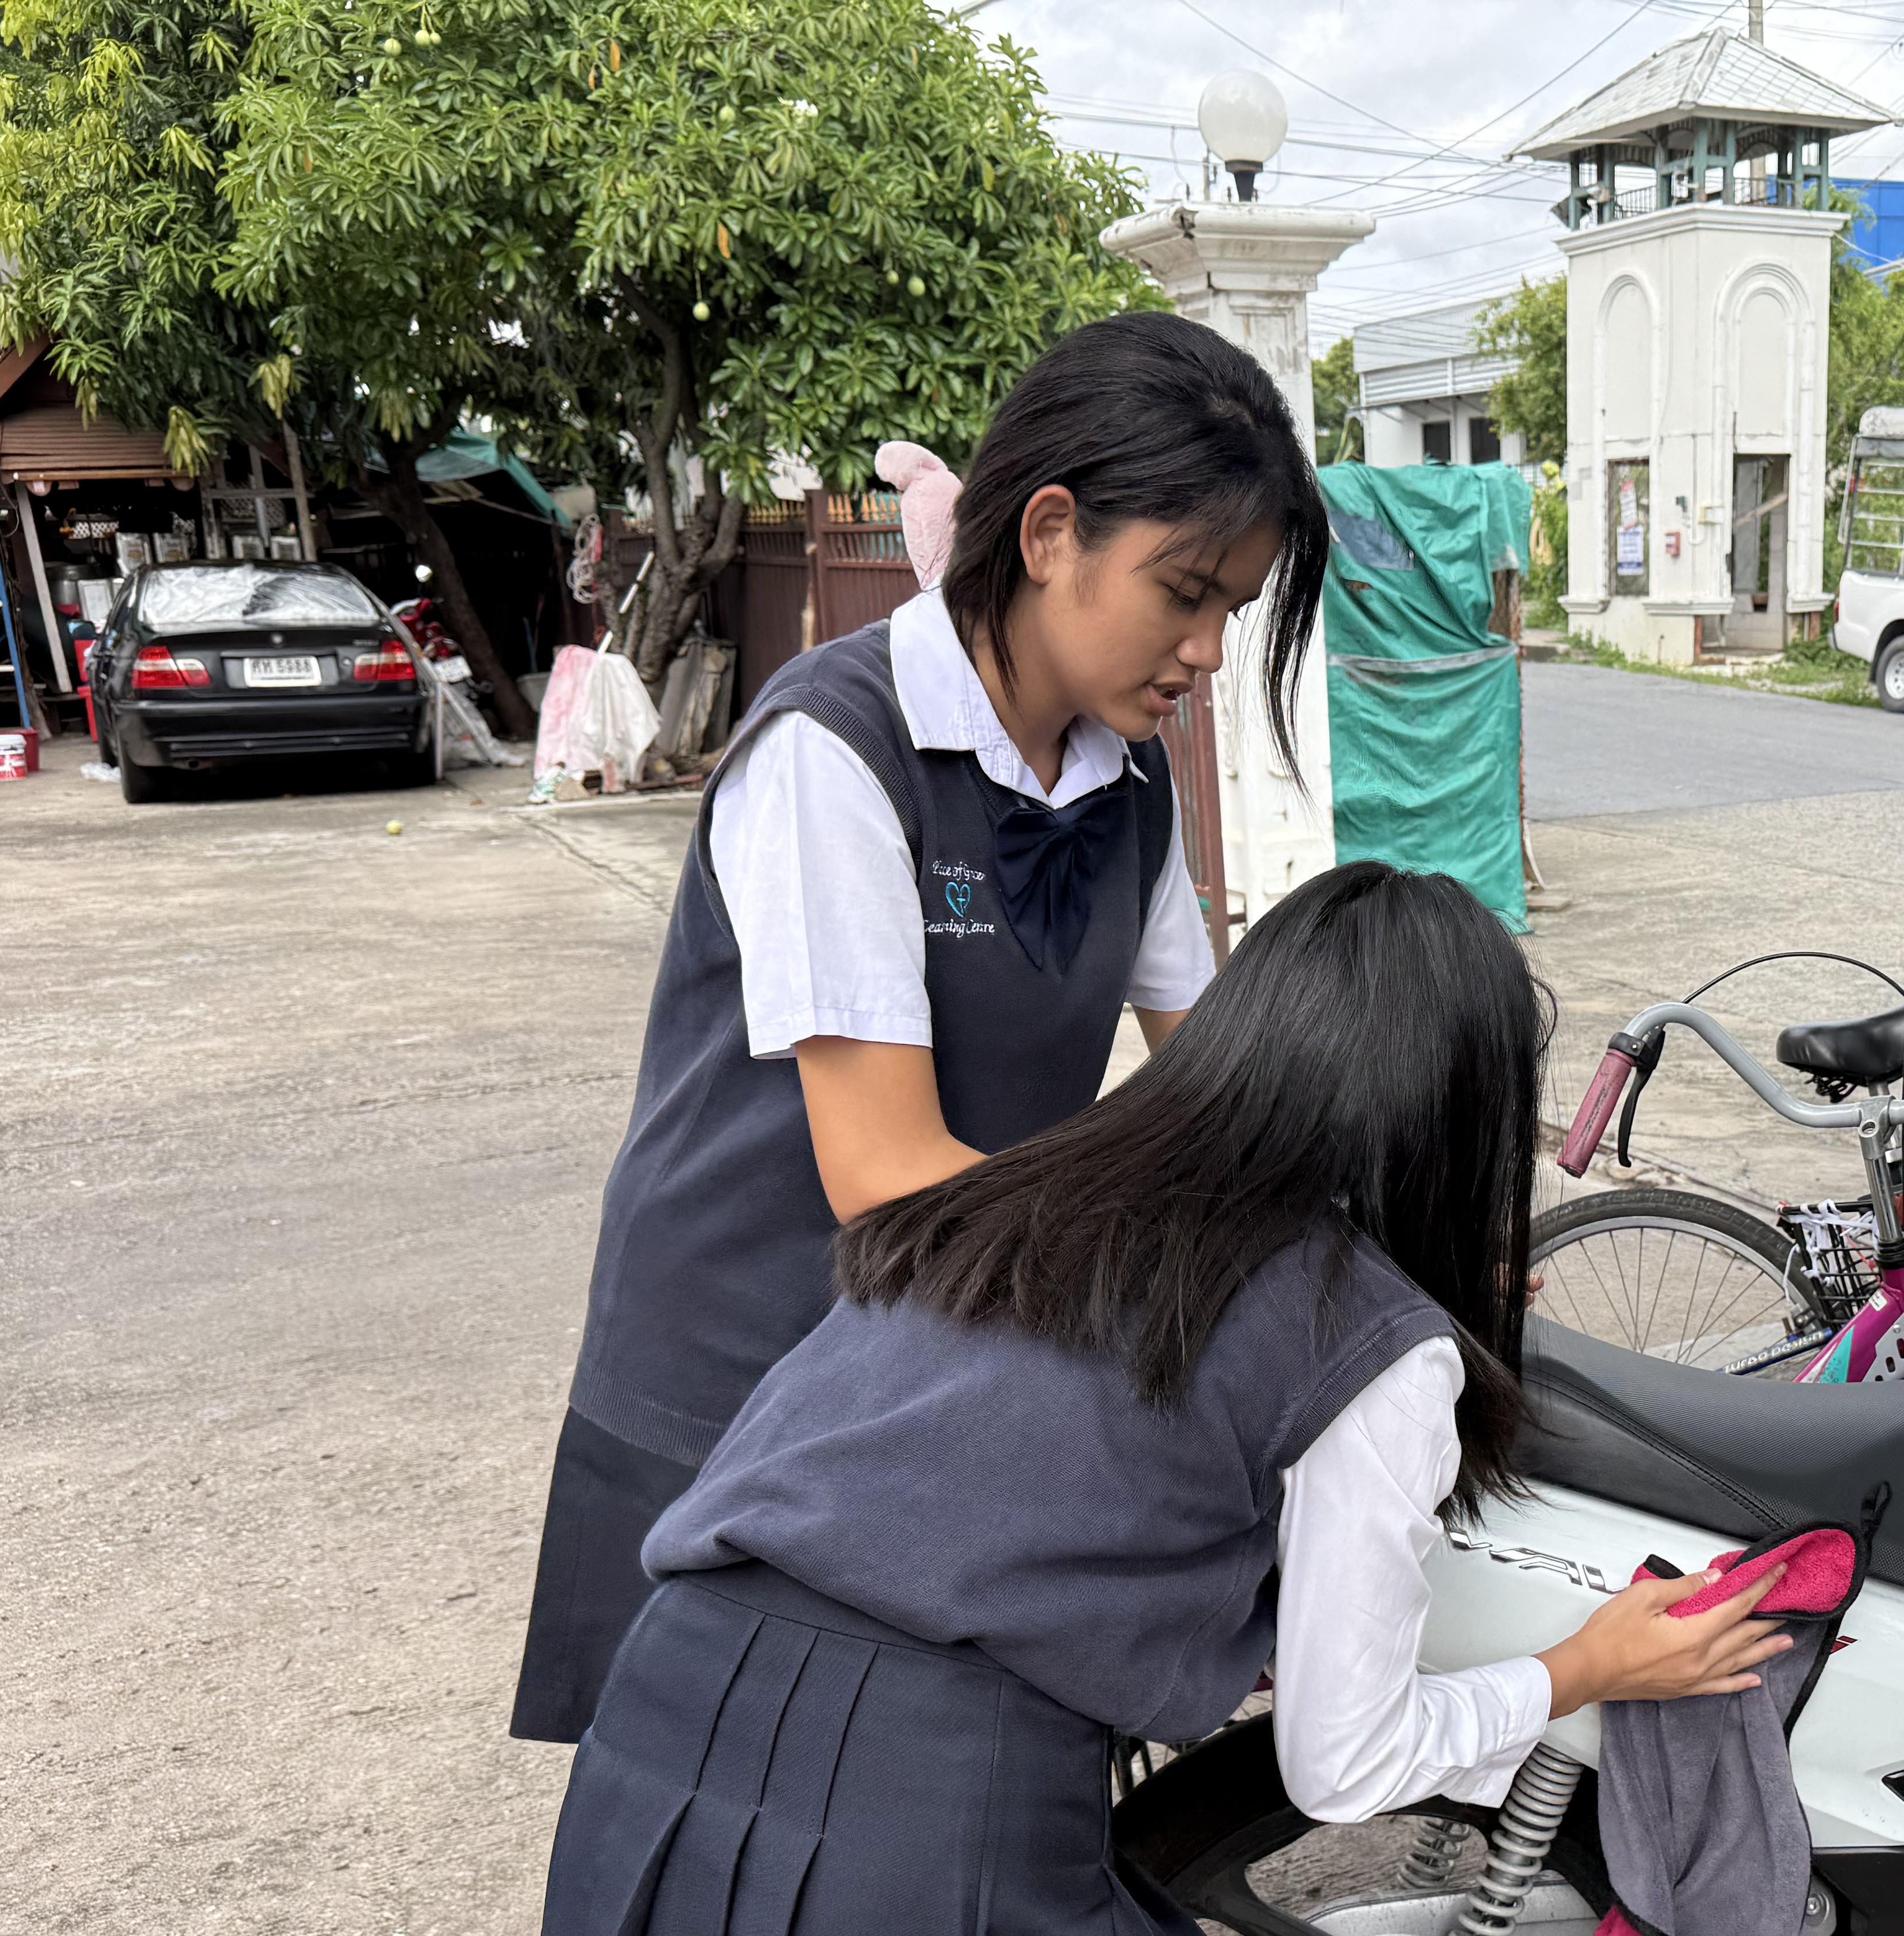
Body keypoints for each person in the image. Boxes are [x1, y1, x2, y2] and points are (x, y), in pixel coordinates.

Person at [480, 865, 1794, 1936]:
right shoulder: (1367, 1330)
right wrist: (1587, 1665)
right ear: (1451, 1124)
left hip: (662, 1746)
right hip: (917, 1809)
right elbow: (1349, 1763)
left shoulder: (1016, 1198)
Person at [509, 312, 1329, 1745]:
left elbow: (1211, 1084)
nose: (1204, 651)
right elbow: (882, 1168)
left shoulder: (1123, 786)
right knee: (749, 1821)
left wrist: (1342, 1230)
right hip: (749, 1367)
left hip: (944, 1342)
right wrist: (1163, 1278)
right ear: (1054, 531)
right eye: (1185, 592)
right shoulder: (837, 750)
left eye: (1232, 614)